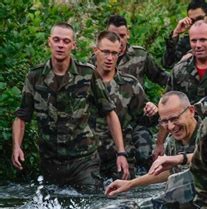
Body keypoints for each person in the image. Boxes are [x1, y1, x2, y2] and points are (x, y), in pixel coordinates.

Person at [37, 91, 201, 209]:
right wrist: (130, 183)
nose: (171, 127)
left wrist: (181, 158)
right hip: (194, 200)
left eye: (175, 119)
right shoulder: (173, 141)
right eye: (164, 121)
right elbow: (169, 170)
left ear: (191, 111)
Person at [11, 23, 128, 191]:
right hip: (50, 161)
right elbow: (21, 116)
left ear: (73, 45)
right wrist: (16, 146)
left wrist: (121, 152)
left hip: (83, 160)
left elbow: (109, 112)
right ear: (49, 42)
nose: (61, 45)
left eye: (66, 41)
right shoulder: (35, 76)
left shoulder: (87, 74)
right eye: (57, 40)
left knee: (90, 206)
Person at [91, 15, 169, 171]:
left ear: (128, 35)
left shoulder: (139, 57)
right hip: (100, 130)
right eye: (113, 36)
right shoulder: (89, 69)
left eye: (121, 36)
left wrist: (161, 106)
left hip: (134, 119)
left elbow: (163, 78)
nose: (118, 41)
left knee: (144, 154)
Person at [93, 31, 150, 180]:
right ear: (95, 51)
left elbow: (144, 121)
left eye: (114, 53)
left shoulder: (130, 84)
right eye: (105, 52)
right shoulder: (82, 82)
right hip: (89, 158)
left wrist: (153, 111)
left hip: (121, 156)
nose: (110, 58)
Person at [162, 0, 207, 68]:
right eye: (192, 21)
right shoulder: (187, 42)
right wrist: (175, 34)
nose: (197, 23)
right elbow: (168, 63)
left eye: (200, 19)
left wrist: (191, 54)